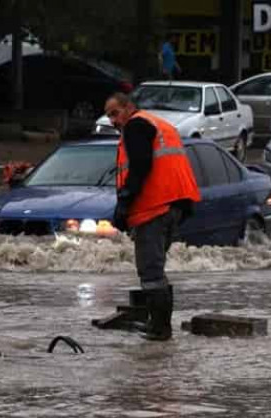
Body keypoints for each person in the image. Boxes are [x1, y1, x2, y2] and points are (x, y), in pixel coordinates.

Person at [105, 92, 200, 341]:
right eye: (109, 116)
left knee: (150, 271)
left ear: (128, 108)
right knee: (156, 269)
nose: (113, 121)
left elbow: (140, 165)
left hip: (154, 207)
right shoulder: (159, 125)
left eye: (115, 113)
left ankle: (159, 329)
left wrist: (125, 202)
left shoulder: (135, 126)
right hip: (174, 205)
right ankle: (159, 326)